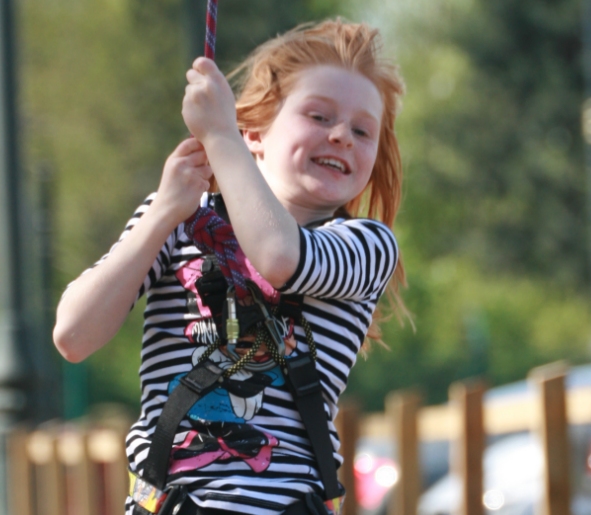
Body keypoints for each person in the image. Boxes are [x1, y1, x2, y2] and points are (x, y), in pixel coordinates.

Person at [54, 19, 407, 515]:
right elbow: (74, 335)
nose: (342, 136)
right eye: (319, 116)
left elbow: (279, 258)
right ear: (256, 132)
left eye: (362, 130)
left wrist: (221, 137)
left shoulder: (366, 245)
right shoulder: (180, 218)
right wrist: (161, 214)